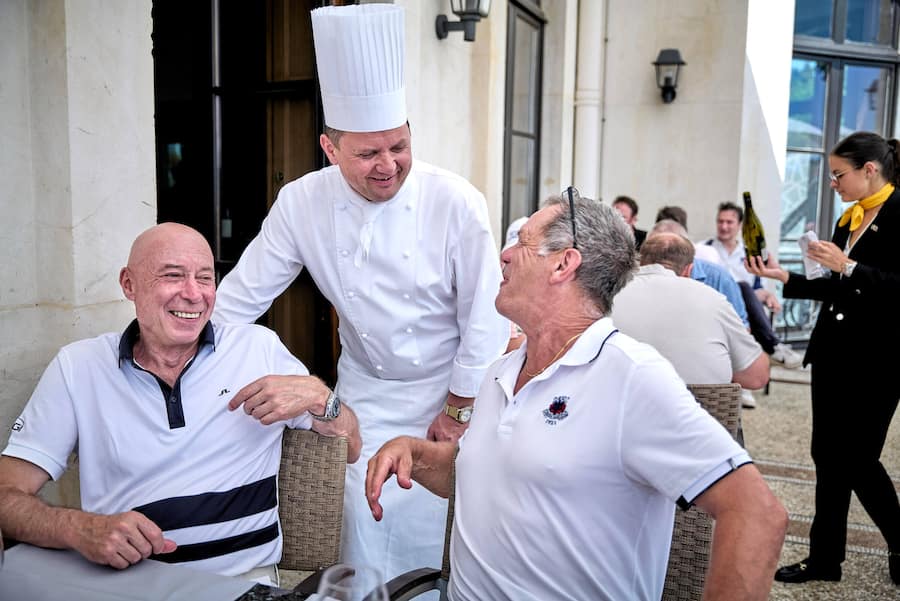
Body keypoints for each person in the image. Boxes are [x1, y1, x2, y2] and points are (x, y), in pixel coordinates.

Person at [212, 4, 509, 583]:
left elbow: (485, 317)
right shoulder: (301, 202)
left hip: (449, 391)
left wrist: (458, 408)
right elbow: (239, 300)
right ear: (329, 149)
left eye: (398, 147)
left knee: (435, 532)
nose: (388, 165)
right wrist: (181, 351)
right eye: (368, 153)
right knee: (361, 525)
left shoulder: (456, 202)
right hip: (366, 391)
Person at [366, 192, 787, 601]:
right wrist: (416, 454)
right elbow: (491, 475)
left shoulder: (631, 376)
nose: (505, 255)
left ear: (564, 263)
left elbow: (757, 514)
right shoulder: (501, 370)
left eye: (522, 243)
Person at [0, 223, 361, 584]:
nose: (193, 294)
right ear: (129, 284)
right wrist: (79, 528)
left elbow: (351, 447)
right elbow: (6, 495)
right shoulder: (78, 367)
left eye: (205, 278)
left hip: (241, 582)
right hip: (127, 585)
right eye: (172, 276)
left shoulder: (257, 349)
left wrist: (319, 397)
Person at [747, 131, 900, 586]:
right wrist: (785, 276)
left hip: (880, 358)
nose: (833, 183)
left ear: (869, 170)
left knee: (857, 458)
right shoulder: (849, 219)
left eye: (839, 175)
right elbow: (837, 286)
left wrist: (848, 266)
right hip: (834, 353)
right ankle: (825, 560)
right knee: (827, 456)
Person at [613, 231, 768, 391]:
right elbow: (757, 378)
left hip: (624, 408)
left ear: (640, 263)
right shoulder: (714, 300)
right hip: (701, 410)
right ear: (689, 270)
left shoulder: (608, 296)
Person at [705, 202, 804, 369]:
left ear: (740, 225)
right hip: (715, 306)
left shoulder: (750, 255)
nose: (724, 226)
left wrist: (768, 296)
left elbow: (758, 290)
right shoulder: (705, 250)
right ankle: (772, 346)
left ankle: (747, 376)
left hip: (743, 310)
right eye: (720, 221)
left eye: (729, 222)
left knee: (744, 289)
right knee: (742, 286)